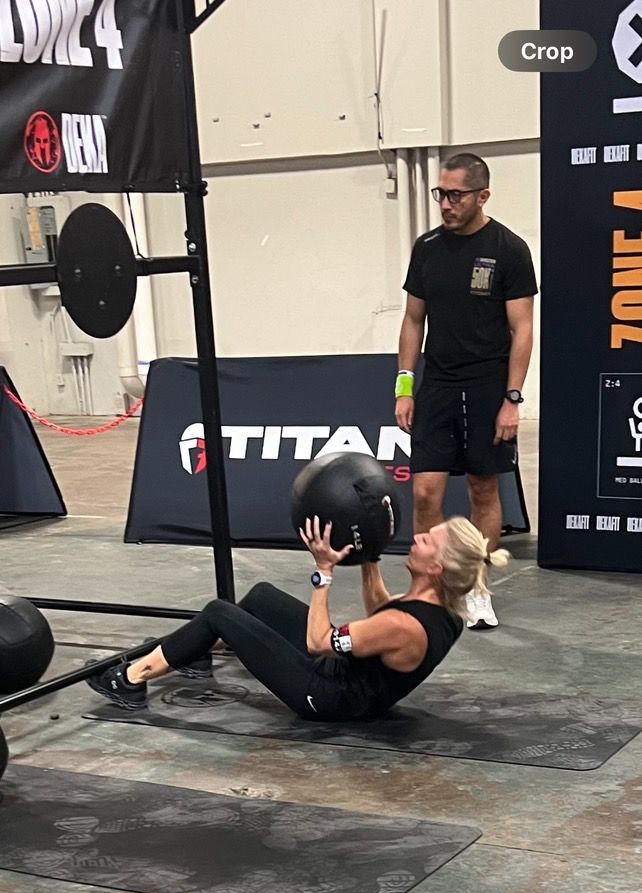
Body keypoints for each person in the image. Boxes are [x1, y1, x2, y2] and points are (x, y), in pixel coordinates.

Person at [87, 517, 508, 721]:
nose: (417, 537)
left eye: (427, 540)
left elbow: (318, 643)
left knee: (219, 612)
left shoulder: (405, 627)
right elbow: (382, 611)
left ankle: (129, 681)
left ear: (435, 568)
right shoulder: (442, 607)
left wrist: (323, 572)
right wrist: (369, 558)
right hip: (348, 678)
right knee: (261, 597)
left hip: (326, 696)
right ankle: (191, 651)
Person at [395, 151, 537, 630]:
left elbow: (522, 329)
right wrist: (405, 385)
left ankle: (476, 588)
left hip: (487, 386)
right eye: (441, 194)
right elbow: (413, 320)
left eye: (456, 195)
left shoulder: (510, 249)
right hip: (437, 384)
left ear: (482, 196)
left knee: (482, 488)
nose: (446, 204)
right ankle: (429, 590)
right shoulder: (427, 248)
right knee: (425, 492)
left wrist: (512, 399)